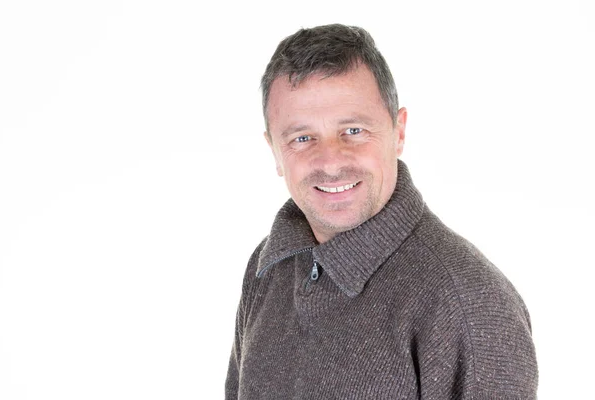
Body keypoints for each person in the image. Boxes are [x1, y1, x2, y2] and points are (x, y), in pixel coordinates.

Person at [225, 24, 538, 399]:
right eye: (302, 138)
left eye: (353, 130)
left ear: (398, 131)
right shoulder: (269, 266)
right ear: (275, 151)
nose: (330, 161)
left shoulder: (467, 302)